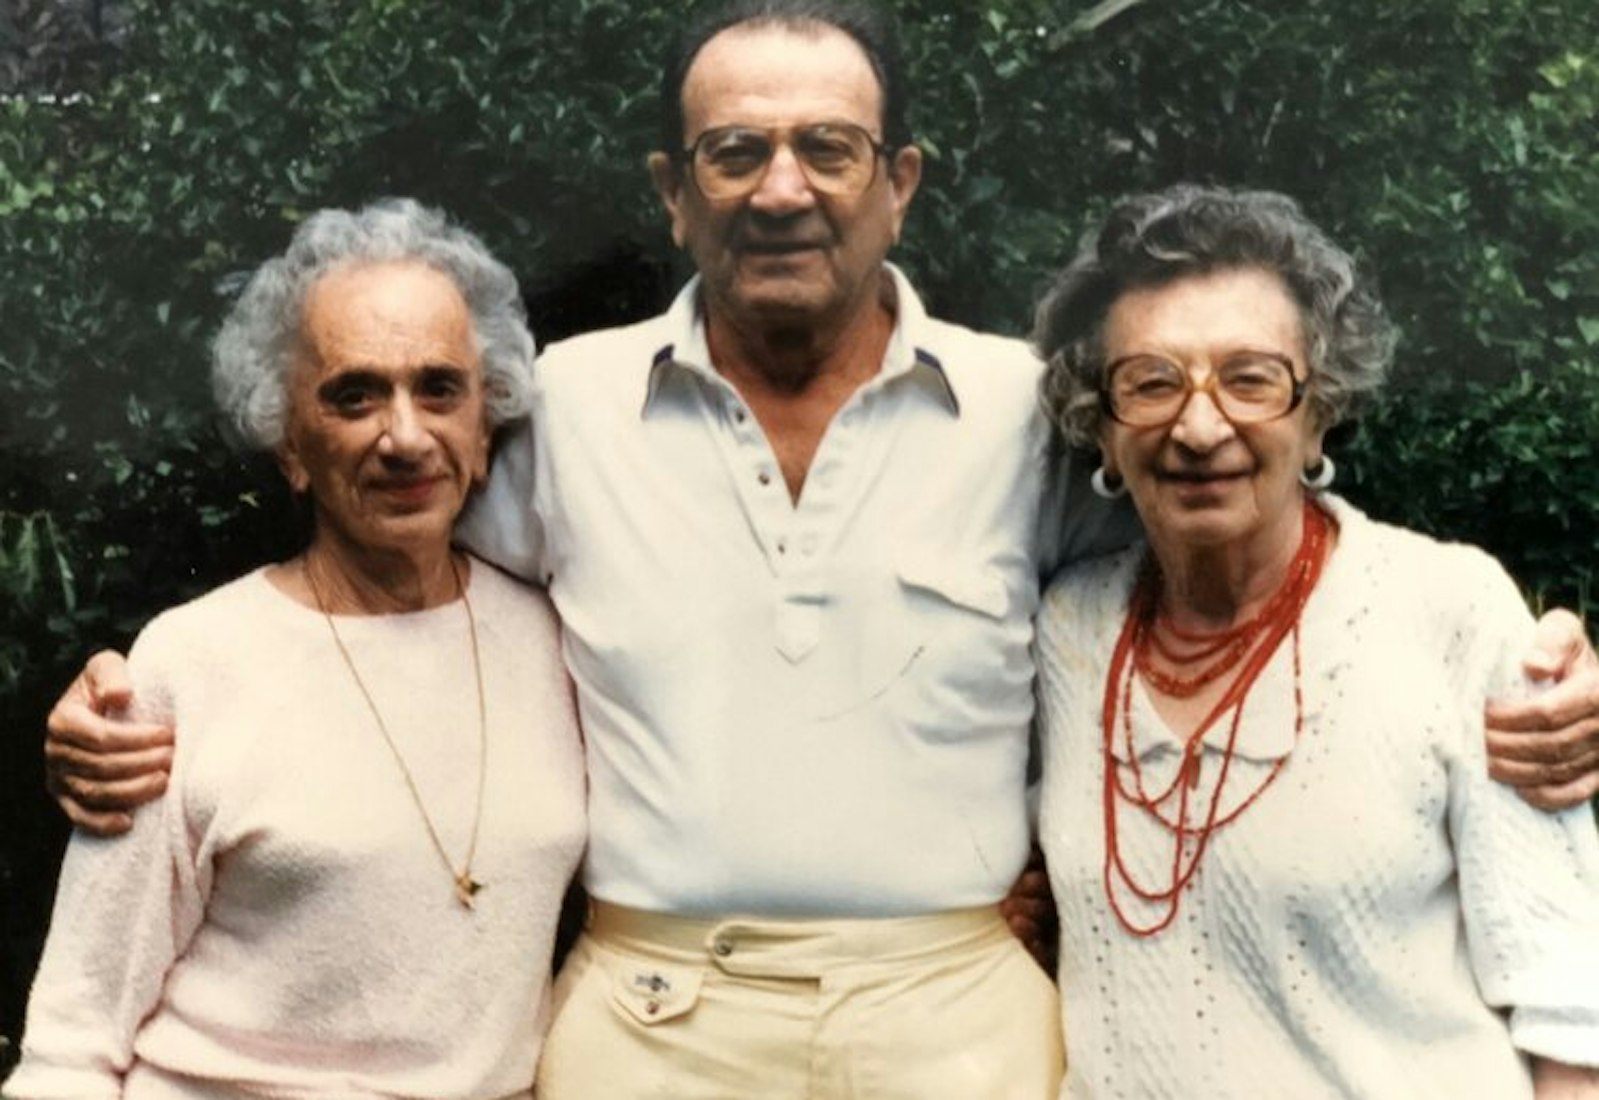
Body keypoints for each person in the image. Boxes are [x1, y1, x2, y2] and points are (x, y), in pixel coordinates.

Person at [38, 4, 1599, 1098]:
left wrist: (1524, 661)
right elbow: (378, 582)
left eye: (828, 148)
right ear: (672, 191)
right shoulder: (547, 414)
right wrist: (137, 702)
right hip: (649, 1024)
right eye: (733, 152)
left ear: (898, 182)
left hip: (962, 1024)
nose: (781, 187)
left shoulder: (1029, 413)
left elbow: (1227, 550)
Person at [6, 200, 586, 1098]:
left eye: (439, 388)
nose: (403, 436)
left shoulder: (557, 641)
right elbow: (73, 1034)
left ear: (487, 422)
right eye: (353, 395)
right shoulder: (190, 662)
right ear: (290, 446)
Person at [1031, 184, 1599, 1099]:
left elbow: (1568, 992)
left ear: (1320, 410)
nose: (1200, 425)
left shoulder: (1447, 609)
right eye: (1150, 383)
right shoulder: (1064, 629)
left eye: (1250, 378)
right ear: (1100, 426)